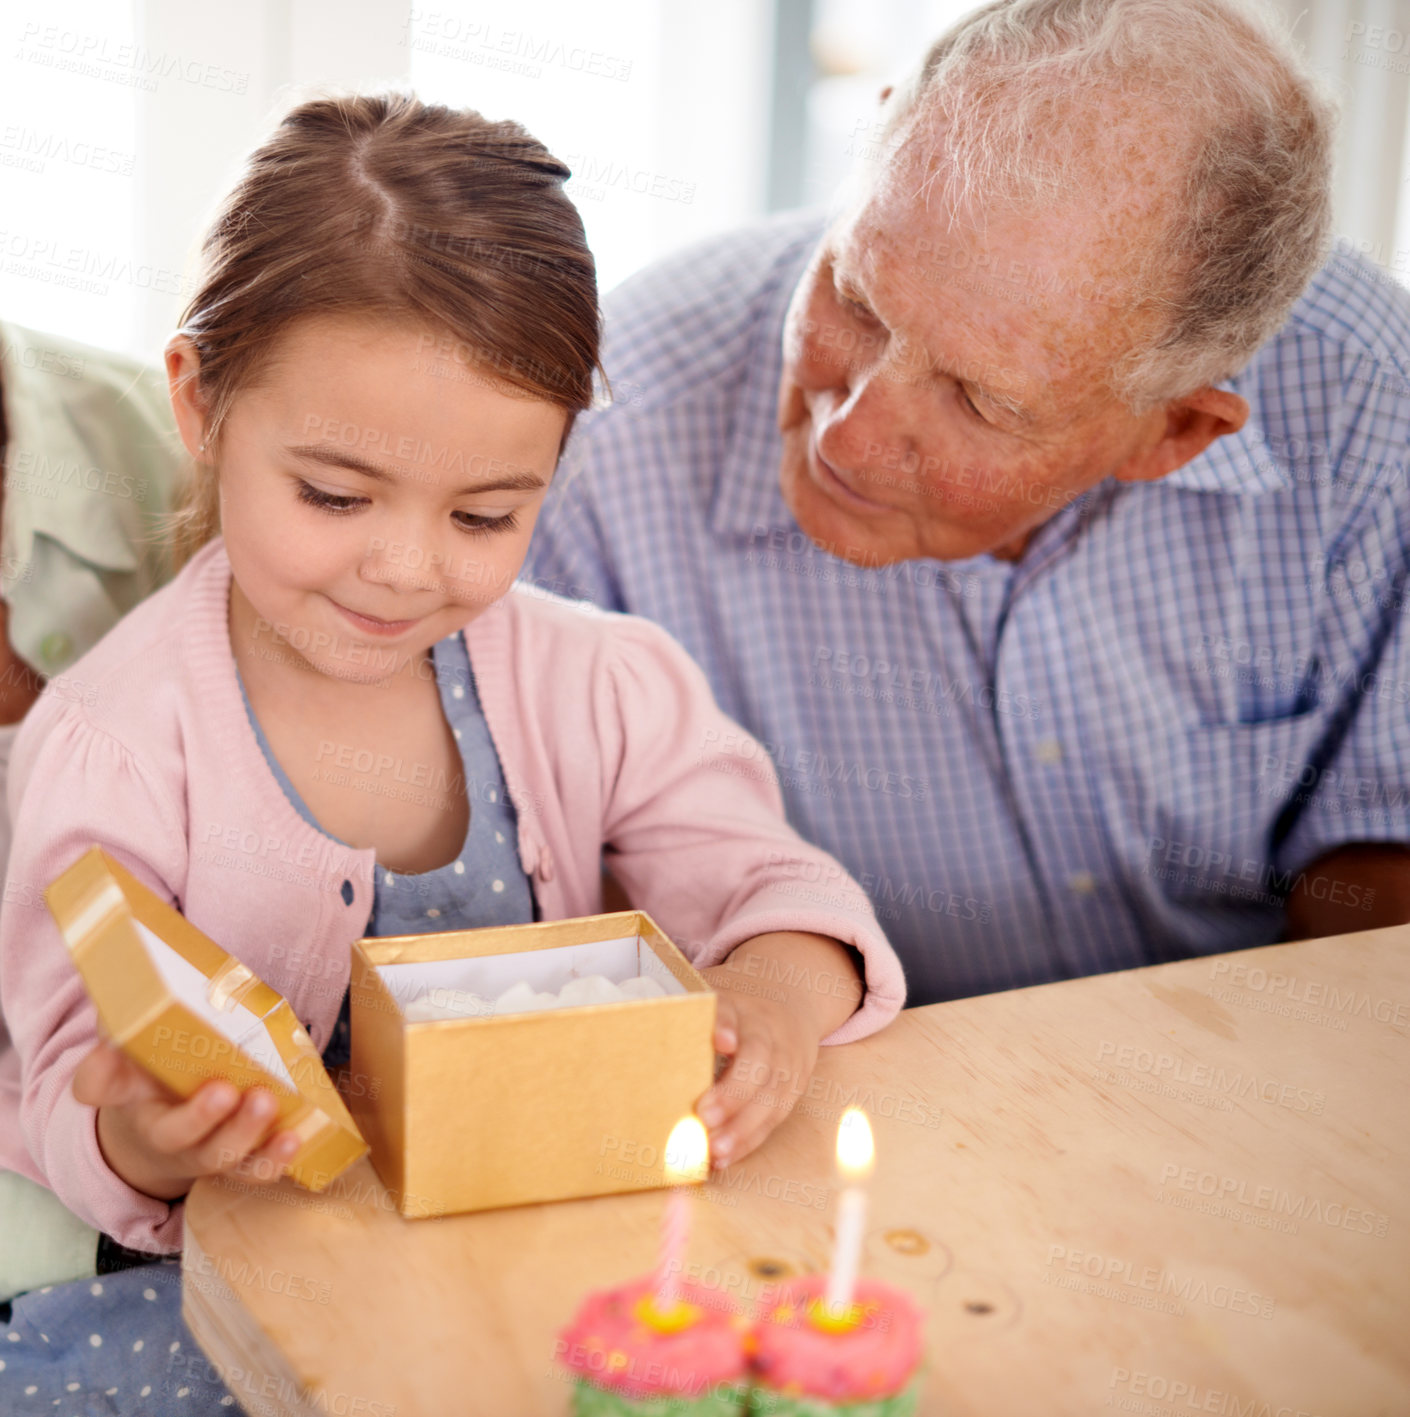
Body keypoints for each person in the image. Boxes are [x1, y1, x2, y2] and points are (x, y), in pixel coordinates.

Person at [0, 93, 904, 1414]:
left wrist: (768, 996)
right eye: (334, 495)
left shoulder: (603, 681)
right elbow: (53, 1092)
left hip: (554, 1258)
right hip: (226, 1306)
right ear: (199, 405)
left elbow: (785, 894)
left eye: (485, 513)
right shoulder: (109, 747)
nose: (407, 568)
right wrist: (143, 1135)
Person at [525, 0, 1410, 1009]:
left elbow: (1383, 870)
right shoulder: (610, 411)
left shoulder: (1364, 390)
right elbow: (543, 903)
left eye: (982, 400)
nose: (846, 434)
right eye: (855, 299)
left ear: (1174, 431)